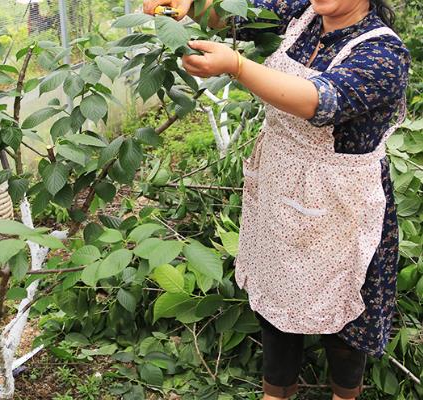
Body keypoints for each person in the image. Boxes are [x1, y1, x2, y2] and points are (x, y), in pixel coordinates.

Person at [144, 1, 409, 399]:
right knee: (277, 296)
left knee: (347, 315)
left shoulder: (384, 54)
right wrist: (191, 6)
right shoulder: (303, 11)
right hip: (281, 184)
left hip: (341, 203)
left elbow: (318, 100)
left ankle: (344, 394)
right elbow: (236, 17)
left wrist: (236, 66)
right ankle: (276, 392)